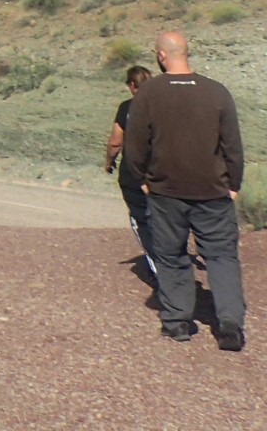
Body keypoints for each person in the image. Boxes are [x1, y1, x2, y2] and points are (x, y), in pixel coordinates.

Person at [123, 30, 247, 351]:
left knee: (172, 255)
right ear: (186, 53)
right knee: (221, 256)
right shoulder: (216, 92)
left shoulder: (149, 94)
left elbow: (134, 146)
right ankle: (230, 325)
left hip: (166, 193)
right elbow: (232, 145)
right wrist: (233, 184)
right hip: (213, 192)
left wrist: (143, 181)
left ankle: (178, 321)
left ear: (161, 56)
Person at [104, 64, 156, 275]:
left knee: (142, 222)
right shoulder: (165, 106)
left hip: (135, 174)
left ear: (133, 85)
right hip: (164, 171)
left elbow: (116, 142)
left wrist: (109, 162)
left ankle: (160, 270)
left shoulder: (127, 107)